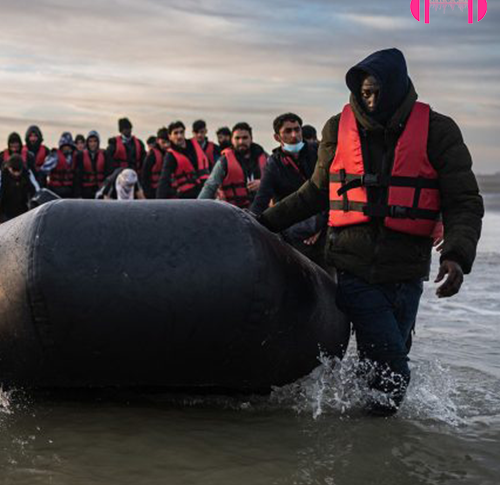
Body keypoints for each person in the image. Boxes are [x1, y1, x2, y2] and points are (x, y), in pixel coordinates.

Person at [258, 48, 483, 415]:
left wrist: (457, 255)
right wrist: (260, 224)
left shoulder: (439, 131)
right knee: (394, 372)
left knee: (380, 362)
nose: (372, 99)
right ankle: (373, 447)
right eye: (365, 93)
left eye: (378, 91)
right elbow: (316, 193)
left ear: (396, 87)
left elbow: (463, 200)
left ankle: (362, 433)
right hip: (353, 267)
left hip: (408, 270)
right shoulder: (337, 127)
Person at [250, 113, 325, 266]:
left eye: (297, 130)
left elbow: (332, 190)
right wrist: (249, 224)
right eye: (288, 131)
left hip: (323, 224)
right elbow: (261, 200)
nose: (294, 135)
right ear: (277, 137)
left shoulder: (318, 153)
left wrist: (323, 227)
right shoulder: (274, 165)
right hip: (293, 229)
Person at [198, 122, 268, 208]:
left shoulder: (265, 157)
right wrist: (198, 207)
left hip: (260, 209)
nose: (241, 141)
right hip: (234, 211)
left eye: (245, 138)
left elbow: (277, 180)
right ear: (232, 140)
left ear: (251, 138)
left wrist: (263, 183)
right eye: (237, 138)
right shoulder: (224, 161)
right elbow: (210, 186)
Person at [157, 121, 205, 199]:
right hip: (186, 196)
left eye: (181, 132)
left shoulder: (195, 146)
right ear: (170, 136)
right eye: (175, 133)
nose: (179, 136)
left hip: (204, 191)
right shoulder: (170, 156)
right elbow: (164, 180)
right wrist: (158, 203)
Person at [0, 155, 39, 227]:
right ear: (8, 168)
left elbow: (37, 190)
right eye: (14, 170)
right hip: (5, 210)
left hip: (22, 208)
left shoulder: (27, 172)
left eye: (18, 171)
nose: (16, 173)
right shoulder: (1, 174)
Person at [43, 132, 78, 198]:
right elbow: (43, 171)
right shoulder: (54, 156)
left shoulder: (74, 157)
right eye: (64, 146)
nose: (67, 148)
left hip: (69, 190)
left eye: (68, 146)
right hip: (56, 190)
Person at [75, 130, 108, 199]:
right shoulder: (81, 156)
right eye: (90, 141)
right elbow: (77, 177)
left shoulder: (105, 154)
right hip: (86, 191)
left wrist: (105, 191)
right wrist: (78, 195)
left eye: (95, 141)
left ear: (98, 142)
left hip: (100, 190)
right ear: (87, 143)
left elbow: (108, 174)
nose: (93, 144)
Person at [141, 128, 169, 199]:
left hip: (168, 190)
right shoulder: (152, 155)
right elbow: (145, 176)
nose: (166, 145)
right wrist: (148, 194)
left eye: (168, 142)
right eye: (163, 142)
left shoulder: (171, 153)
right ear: (157, 141)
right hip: (154, 191)